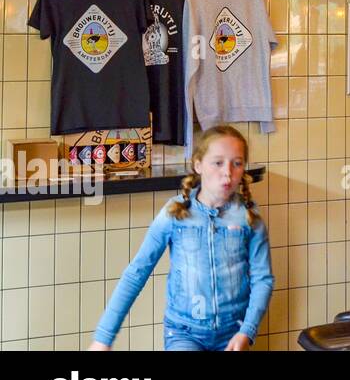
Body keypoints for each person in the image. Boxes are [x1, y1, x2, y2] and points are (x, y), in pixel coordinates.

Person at [89, 125, 273, 351]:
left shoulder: (249, 216)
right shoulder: (174, 213)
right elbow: (136, 273)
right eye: (218, 162)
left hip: (233, 332)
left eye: (237, 163)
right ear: (198, 165)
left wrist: (247, 330)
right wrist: (103, 338)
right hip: (183, 333)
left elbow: (263, 279)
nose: (227, 172)